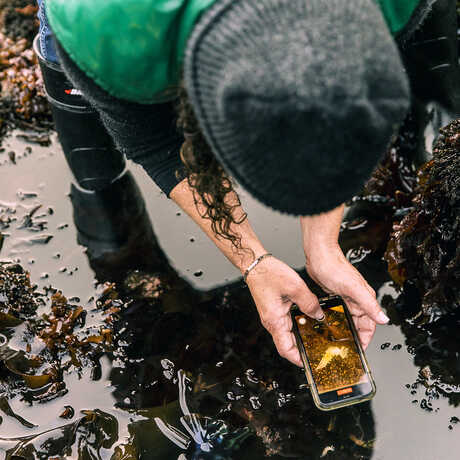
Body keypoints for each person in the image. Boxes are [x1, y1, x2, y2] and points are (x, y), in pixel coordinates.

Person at [34, 0, 458, 367]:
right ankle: (100, 188)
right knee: (89, 98)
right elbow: (155, 141)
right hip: (116, 29)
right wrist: (251, 260)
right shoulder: (103, 26)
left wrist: (322, 245)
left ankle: (434, 115)